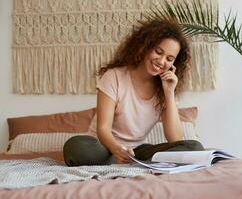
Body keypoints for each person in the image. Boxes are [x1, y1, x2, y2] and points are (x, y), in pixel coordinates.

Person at [63, 18, 204, 166]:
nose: (162, 62)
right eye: (158, 52)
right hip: (103, 148)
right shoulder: (114, 77)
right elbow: (103, 128)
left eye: (169, 59)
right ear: (145, 46)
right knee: (74, 147)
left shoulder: (164, 89)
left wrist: (169, 93)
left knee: (194, 148)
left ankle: (131, 162)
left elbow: (176, 140)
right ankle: (131, 163)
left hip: (137, 152)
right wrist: (117, 150)